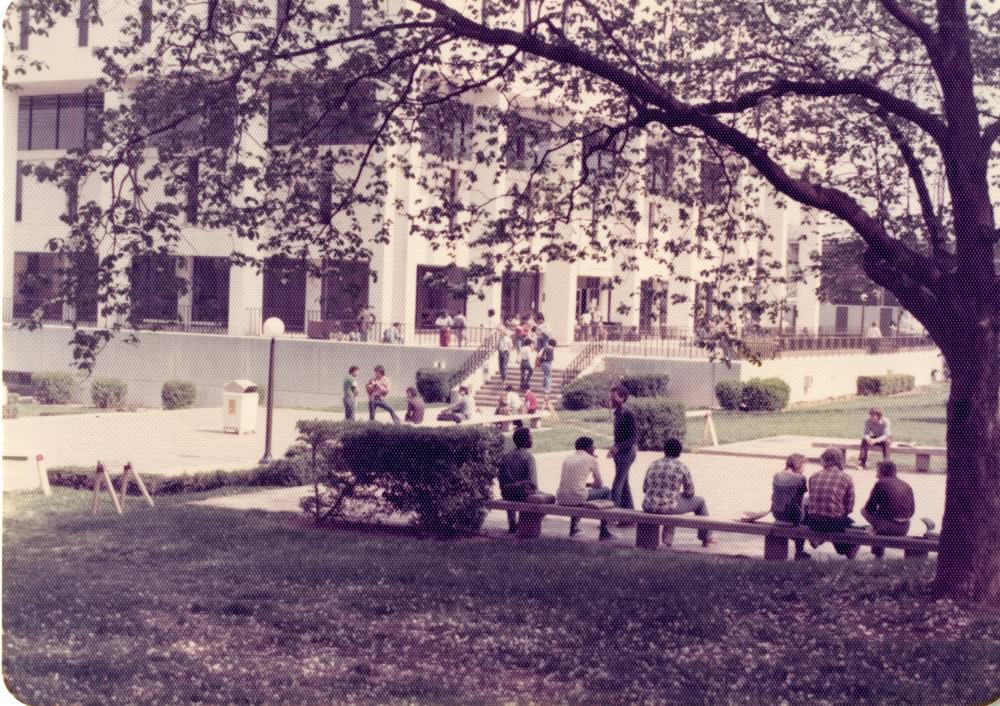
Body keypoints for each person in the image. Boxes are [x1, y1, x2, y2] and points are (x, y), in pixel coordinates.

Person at [641, 437, 714, 546]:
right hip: (669, 506)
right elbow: (690, 492)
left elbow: (645, 489)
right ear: (679, 452)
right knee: (699, 502)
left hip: (648, 505)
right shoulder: (681, 467)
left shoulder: (653, 464)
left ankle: (668, 540)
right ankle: (706, 538)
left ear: (664, 450)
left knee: (673, 500)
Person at [804, 448, 858, 559]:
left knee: (831, 520)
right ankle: (848, 554)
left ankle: (819, 539)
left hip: (813, 521)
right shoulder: (846, 478)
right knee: (852, 526)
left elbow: (812, 499)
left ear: (823, 460)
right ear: (840, 461)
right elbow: (849, 507)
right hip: (833, 522)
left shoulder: (813, 477)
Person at [555, 436, 614, 540]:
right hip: (577, 497)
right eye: (593, 446)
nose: (595, 448)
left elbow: (571, 480)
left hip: (561, 497)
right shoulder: (591, 459)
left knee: (577, 492)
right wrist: (591, 485)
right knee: (606, 491)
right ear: (588, 448)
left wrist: (587, 485)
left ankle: (573, 528)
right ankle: (604, 531)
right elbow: (600, 484)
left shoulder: (568, 458)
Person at [861, 461, 915, 558]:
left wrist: (878, 522)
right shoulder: (906, 485)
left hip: (888, 527)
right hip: (905, 527)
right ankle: (877, 531)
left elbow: (869, 508)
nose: (876, 474)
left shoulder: (881, 483)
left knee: (864, 511)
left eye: (877, 470)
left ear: (882, 470)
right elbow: (911, 512)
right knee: (880, 518)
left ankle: (877, 553)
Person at [497, 427, 538, 533]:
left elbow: (502, 481)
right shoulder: (529, 457)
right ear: (526, 440)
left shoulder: (506, 457)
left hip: (507, 493)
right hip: (522, 494)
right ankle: (521, 523)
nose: (532, 440)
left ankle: (512, 523)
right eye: (531, 437)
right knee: (544, 499)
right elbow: (533, 483)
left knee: (514, 492)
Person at [771, 453, 810, 559]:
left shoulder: (777, 475)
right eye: (804, 466)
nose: (805, 469)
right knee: (805, 515)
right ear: (799, 465)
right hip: (791, 514)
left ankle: (800, 546)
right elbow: (799, 501)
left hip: (776, 513)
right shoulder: (801, 479)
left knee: (800, 513)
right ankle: (799, 552)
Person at [607, 385, 636, 510]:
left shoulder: (628, 414)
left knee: (617, 484)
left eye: (614, 397)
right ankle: (629, 515)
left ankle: (611, 517)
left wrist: (617, 447)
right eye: (611, 397)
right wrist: (614, 448)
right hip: (619, 453)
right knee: (624, 484)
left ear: (623, 398)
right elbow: (619, 436)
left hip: (628, 453)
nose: (611, 400)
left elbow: (633, 438)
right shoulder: (617, 414)